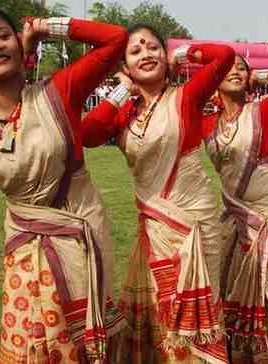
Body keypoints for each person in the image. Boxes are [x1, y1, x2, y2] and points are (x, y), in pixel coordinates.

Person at [0, 6, 128, 363]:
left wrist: (48, 28)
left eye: (2, 35)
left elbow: (116, 40)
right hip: (24, 257)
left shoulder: (58, 92)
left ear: (18, 41)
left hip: (80, 244)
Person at [81, 26, 235, 363]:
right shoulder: (125, 114)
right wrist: (122, 89)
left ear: (164, 57)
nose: (146, 54)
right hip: (155, 226)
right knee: (159, 304)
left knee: (199, 306)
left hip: (194, 224)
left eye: (153, 48)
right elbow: (89, 134)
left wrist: (182, 54)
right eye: (136, 51)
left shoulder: (187, 96)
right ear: (126, 65)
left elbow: (224, 56)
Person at [201, 55, 268, 363]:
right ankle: (241, 351)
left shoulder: (263, 109)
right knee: (233, 274)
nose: (235, 71)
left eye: (241, 67)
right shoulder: (206, 122)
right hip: (234, 211)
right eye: (227, 67)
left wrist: (258, 74)